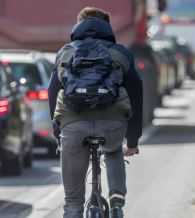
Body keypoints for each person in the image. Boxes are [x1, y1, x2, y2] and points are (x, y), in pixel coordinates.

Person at [48, 7, 143, 218]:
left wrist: (58, 132)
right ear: (107, 27)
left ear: (78, 25)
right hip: (113, 125)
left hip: (73, 126)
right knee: (113, 149)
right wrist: (133, 140)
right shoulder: (121, 53)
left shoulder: (65, 53)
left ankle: (74, 210)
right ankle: (117, 201)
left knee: (72, 202)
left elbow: (53, 93)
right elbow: (137, 94)